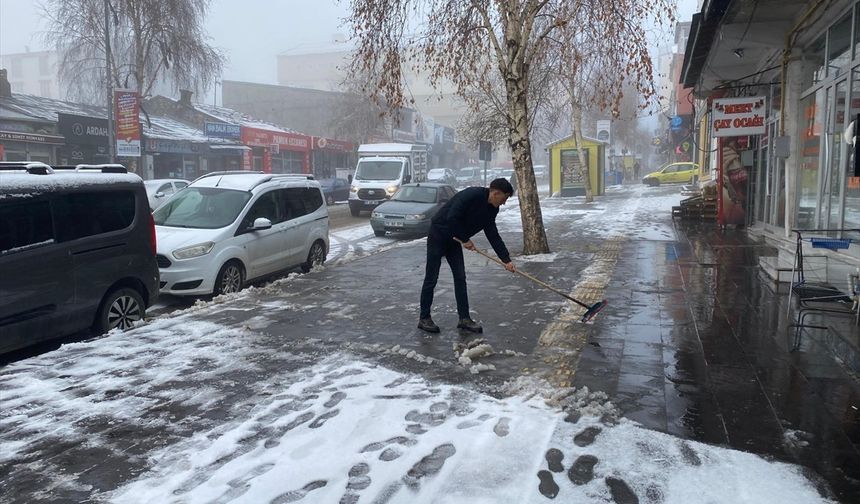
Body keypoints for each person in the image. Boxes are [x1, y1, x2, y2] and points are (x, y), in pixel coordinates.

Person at [418, 178, 516, 334]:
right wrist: (465, 239)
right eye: (504, 198)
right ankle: (424, 318)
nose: (504, 203)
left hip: (454, 241)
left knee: (460, 277)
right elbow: (452, 217)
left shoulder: (492, 209)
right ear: (496, 193)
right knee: (432, 277)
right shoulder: (471, 195)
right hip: (438, 235)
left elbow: (493, 234)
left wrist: (506, 260)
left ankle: (464, 319)